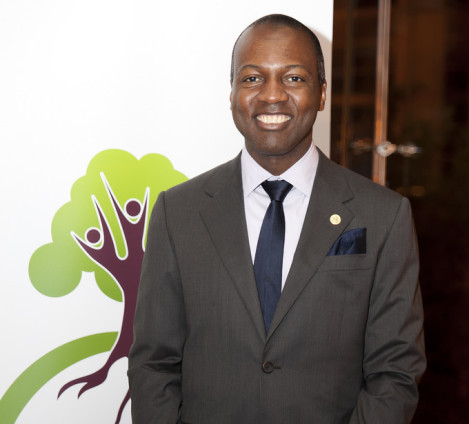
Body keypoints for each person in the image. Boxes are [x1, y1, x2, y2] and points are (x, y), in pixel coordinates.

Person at [128, 14, 425, 424]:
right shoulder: (177, 212)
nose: (271, 95)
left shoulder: (384, 216)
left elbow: (395, 371)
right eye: (252, 78)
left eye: (293, 78)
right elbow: (153, 364)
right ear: (232, 93)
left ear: (322, 93)